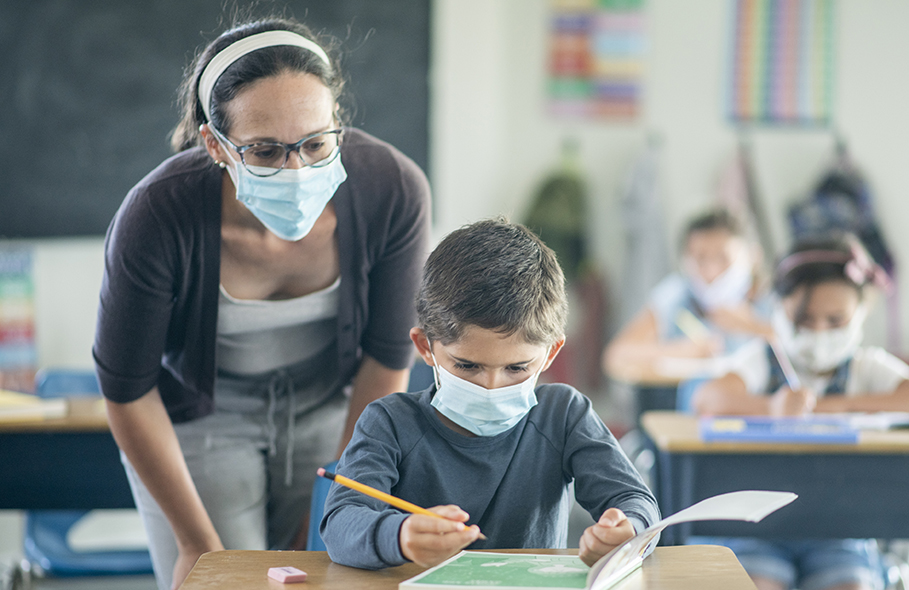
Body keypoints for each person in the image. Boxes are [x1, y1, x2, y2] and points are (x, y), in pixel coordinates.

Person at [92, 16, 430, 590]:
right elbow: (127, 390)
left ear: (336, 123)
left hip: (335, 407)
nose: (296, 169)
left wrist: (334, 503)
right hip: (203, 419)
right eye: (267, 152)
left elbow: (386, 360)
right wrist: (196, 545)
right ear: (215, 146)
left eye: (316, 143)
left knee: (336, 575)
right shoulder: (155, 216)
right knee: (228, 579)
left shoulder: (393, 189)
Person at [320, 218, 660, 570]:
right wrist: (399, 534)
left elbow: (637, 501)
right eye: (467, 366)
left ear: (550, 354)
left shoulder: (564, 415)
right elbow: (341, 523)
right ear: (425, 347)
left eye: (517, 368)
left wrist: (627, 531)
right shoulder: (390, 422)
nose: (491, 387)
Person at [691, 234, 906, 590]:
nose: (819, 331)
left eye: (835, 321)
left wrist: (831, 407)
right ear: (778, 309)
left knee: (852, 584)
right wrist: (770, 407)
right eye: (804, 319)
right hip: (759, 530)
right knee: (757, 582)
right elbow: (707, 398)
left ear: (861, 313)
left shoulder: (865, 367)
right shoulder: (764, 359)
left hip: (840, 530)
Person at [603, 208, 771, 383]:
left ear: (753, 257)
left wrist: (756, 327)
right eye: (700, 259)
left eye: (723, 258)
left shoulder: (771, 299)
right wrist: (684, 351)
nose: (711, 271)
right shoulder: (676, 295)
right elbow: (617, 356)